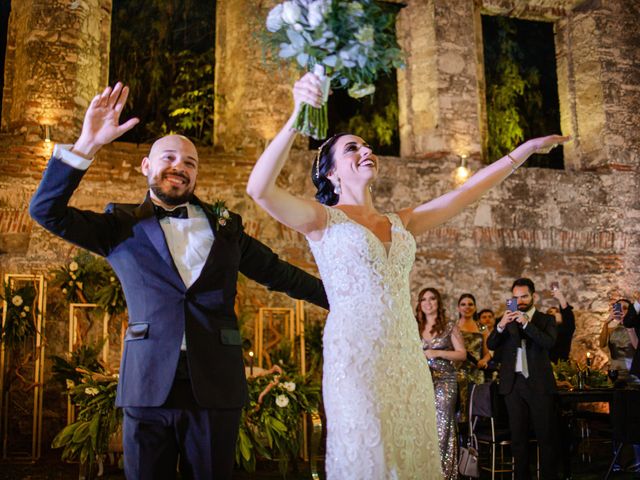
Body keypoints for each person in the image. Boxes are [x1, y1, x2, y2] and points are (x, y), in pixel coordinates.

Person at [245, 71, 567, 478]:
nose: (366, 150)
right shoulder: (321, 220)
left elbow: (467, 193)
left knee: (413, 454)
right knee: (370, 455)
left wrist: (521, 152)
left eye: (366, 145)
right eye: (352, 148)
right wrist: (298, 116)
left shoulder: (401, 221)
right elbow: (259, 190)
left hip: (406, 356)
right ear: (331, 173)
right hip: (357, 355)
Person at [29, 83, 329, 480]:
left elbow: (278, 273)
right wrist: (87, 143)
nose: (180, 166)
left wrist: (345, 298)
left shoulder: (227, 226)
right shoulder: (120, 225)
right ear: (146, 167)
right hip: (148, 383)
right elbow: (45, 211)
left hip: (215, 383)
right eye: (168, 157)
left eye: (190, 162)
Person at [487, 278, 559, 480]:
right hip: (513, 384)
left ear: (533, 296)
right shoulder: (506, 320)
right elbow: (492, 345)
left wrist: (527, 324)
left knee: (546, 437)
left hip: (539, 385)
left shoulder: (546, 320)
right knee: (518, 439)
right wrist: (501, 325)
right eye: (516, 297)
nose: (520, 301)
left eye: (524, 296)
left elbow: (549, 343)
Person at [416, 287, 466, 480]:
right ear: (419, 304)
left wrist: (437, 353)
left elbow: (462, 354)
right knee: (422, 426)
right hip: (420, 383)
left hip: (444, 381)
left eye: (432, 299)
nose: (428, 303)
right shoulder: (414, 327)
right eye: (424, 300)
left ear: (438, 302)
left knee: (442, 426)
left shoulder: (449, 326)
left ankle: (443, 473)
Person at [547, 285, 576, 363]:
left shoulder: (566, 330)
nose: (553, 314)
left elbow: (568, 318)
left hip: (562, 367)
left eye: (556, 312)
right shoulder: (543, 330)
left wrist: (561, 298)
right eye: (550, 312)